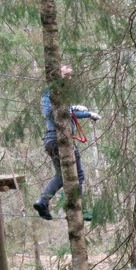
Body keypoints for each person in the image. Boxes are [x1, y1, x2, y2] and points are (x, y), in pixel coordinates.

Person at [33, 64, 100, 220]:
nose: (69, 79)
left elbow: (65, 112)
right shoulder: (51, 92)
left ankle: (43, 201)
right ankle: (80, 210)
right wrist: (82, 112)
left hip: (53, 141)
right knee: (79, 175)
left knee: (61, 176)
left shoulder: (58, 94)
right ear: (57, 75)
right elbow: (55, 112)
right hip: (59, 141)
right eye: (66, 75)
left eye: (70, 76)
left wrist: (82, 112)